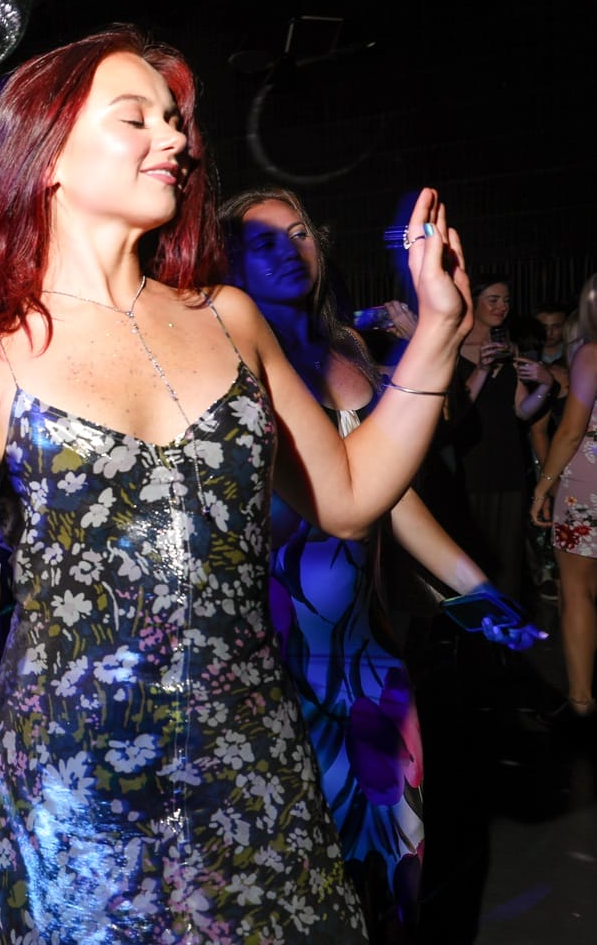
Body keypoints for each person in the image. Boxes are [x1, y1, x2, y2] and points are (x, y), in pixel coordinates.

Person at [0, 26, 473, 942]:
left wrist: (436, 334)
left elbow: (347, 494)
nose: (178, 140)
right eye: (136, 117)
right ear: (50, 154)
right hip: (72, 794)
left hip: (251, 770)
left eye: (176, 121)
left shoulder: (227, 316)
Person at [220, 186, 542, 939]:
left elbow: (392, 501)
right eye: (263, 241)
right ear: (229, 260)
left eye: (299, 232)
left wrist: (477, 592)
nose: (289, 249)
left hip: (366, 652)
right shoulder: (228, 362)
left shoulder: (350, 352)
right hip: (273, 657)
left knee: (395, 852)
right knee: (298, 871)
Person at [445, 277, 555, 594]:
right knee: (471, 556)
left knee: (507, 558)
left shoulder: (512, 349)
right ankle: (471, 634)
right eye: (493, 299)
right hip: (469, 464)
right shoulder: (453, 348)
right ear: (473, 301)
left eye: (506, 301)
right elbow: (454, 410)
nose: (501, 307)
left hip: (507, 462)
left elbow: (521, 410)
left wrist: (546, 384)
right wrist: (481, 369)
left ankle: (504, 633)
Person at [533, 274, 597, 719]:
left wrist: (543, 483)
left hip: (588, 483)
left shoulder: (590, 356)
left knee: (576, 592)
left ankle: (581, 700)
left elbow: (571, 430)